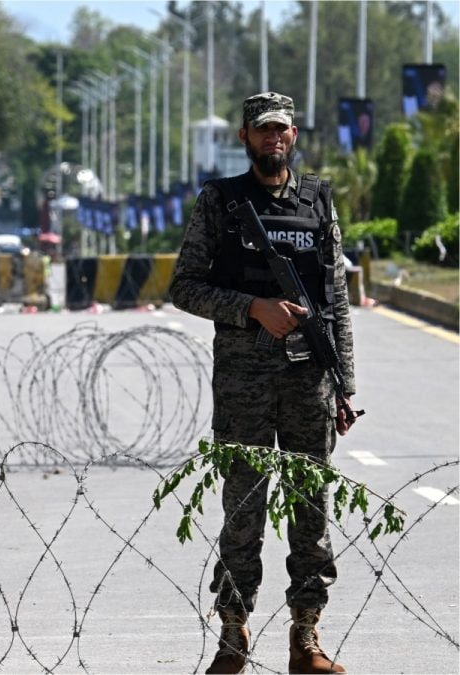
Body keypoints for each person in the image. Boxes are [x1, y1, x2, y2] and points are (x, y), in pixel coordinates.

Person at [170, 93, 356, 675]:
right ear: (245, 137)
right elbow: (185, 287)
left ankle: (307, 636)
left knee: (311, 510)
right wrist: (252, 307)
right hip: (245, 380)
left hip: (309, 382)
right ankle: (233, 632)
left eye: (281, 129)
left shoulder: (318, 201)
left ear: (294, 135)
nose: (273, 138)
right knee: (244, 509)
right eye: (262, 130)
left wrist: (344, 385)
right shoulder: (221, 202)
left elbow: (338, 301)